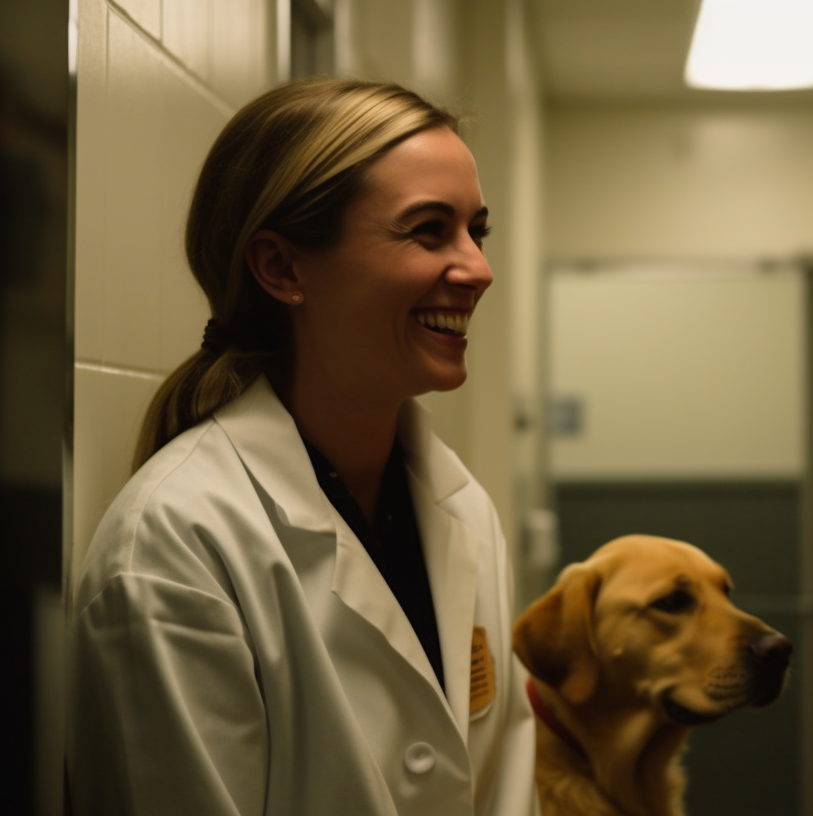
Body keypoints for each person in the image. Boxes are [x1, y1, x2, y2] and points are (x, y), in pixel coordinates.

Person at [67, 78, 539, 816]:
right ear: (283, 268)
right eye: (427, 230)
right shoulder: (173, 550)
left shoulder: (463, 512)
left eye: (476, 230)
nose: (477, 269)